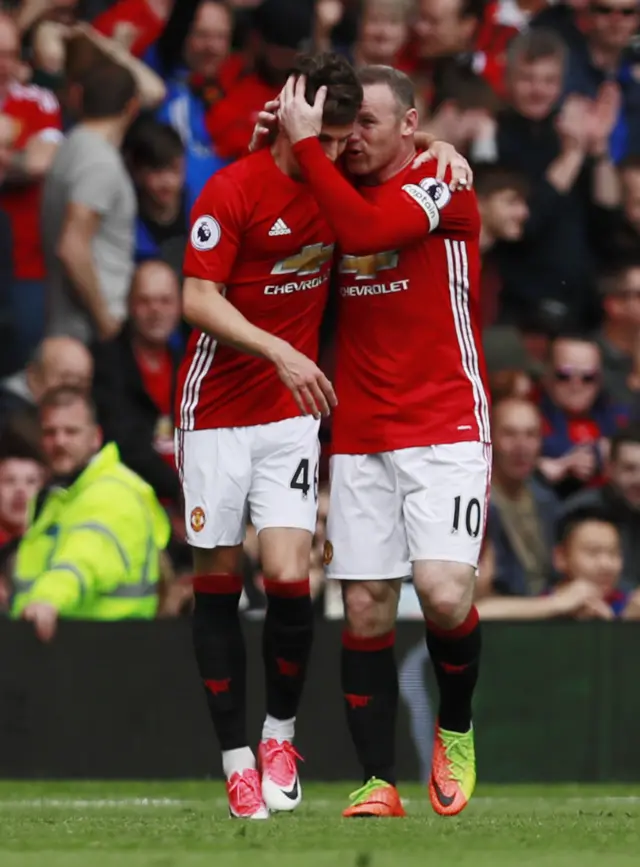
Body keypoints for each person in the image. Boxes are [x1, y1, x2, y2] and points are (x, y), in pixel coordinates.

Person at [277, 65, 489, 818]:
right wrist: (280, 143)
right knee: (364, 603)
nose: (354, 137)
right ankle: (377, 781)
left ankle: (455, 727)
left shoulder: (444, 183)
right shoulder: (333, 185)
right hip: (361, 428)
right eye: (346, 123)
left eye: (371, 122)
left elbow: (368, 231)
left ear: (409, 124)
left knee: (440, 590)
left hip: (446, 420)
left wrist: (308, 150)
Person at [176, 51, 361, 821]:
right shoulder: (234, 187)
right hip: (216, 410)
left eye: (351, 139)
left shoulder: (341, 190)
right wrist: (280, 347)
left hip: (288, 414)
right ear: (298, 116)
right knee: (219, 580)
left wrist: (445, 150)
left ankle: (280, 733)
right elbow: (195, 298)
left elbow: (419, 163)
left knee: (291, 577)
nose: (346, 150)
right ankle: (235, 760)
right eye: (335, 134)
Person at [12, 386, 170, 640]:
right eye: (50, 432)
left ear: (95, 437)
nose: (60, 441)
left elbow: (86, 558)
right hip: (60, 652)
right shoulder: (59, 496)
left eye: (71, 431)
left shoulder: (115, 493)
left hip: (108, 655)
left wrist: (47, 599)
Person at [41, 62, 140, 345]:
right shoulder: (99, 161)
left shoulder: (72, 145)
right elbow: (72, 247)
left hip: (68, 322)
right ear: (132, 107)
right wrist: (105, 320)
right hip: (88, 330)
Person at [92, 260, 182, 506]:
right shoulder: (105, 364)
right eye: (145, 301)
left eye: (165, 301)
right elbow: (122, 444)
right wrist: (179, 491)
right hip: (130, 498)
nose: (156, 310)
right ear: (129, 305)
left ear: (179, 306)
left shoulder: (189, 363)